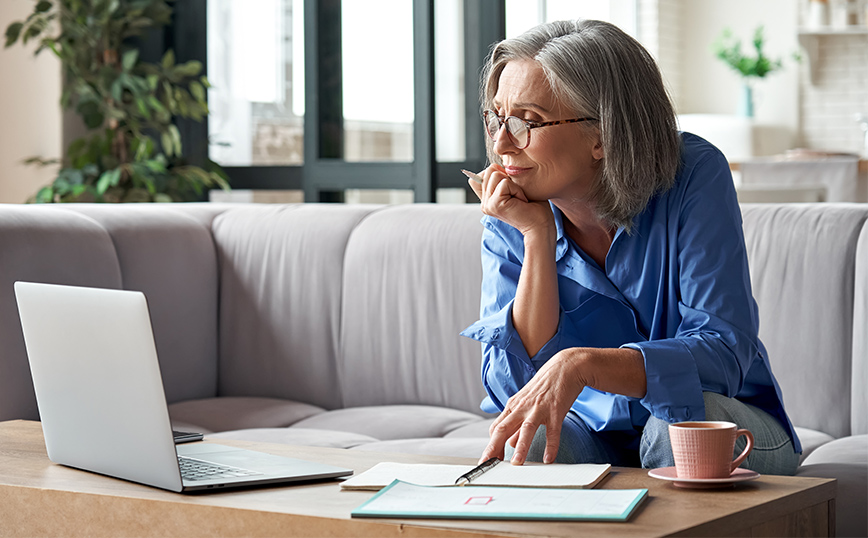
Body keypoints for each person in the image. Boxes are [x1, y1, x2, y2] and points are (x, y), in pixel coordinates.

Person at [460, 19, 801, 475]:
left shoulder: (694, 175)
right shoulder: (513, 207)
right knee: (533, 438)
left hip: (725, 420)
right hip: (593, 432)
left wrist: (584, 365)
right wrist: (536, 238)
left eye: (528, 121)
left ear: (602, 134)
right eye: (496, 118)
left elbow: (723, 352)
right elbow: (515, 388)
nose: (502, 144)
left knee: (675, 428)